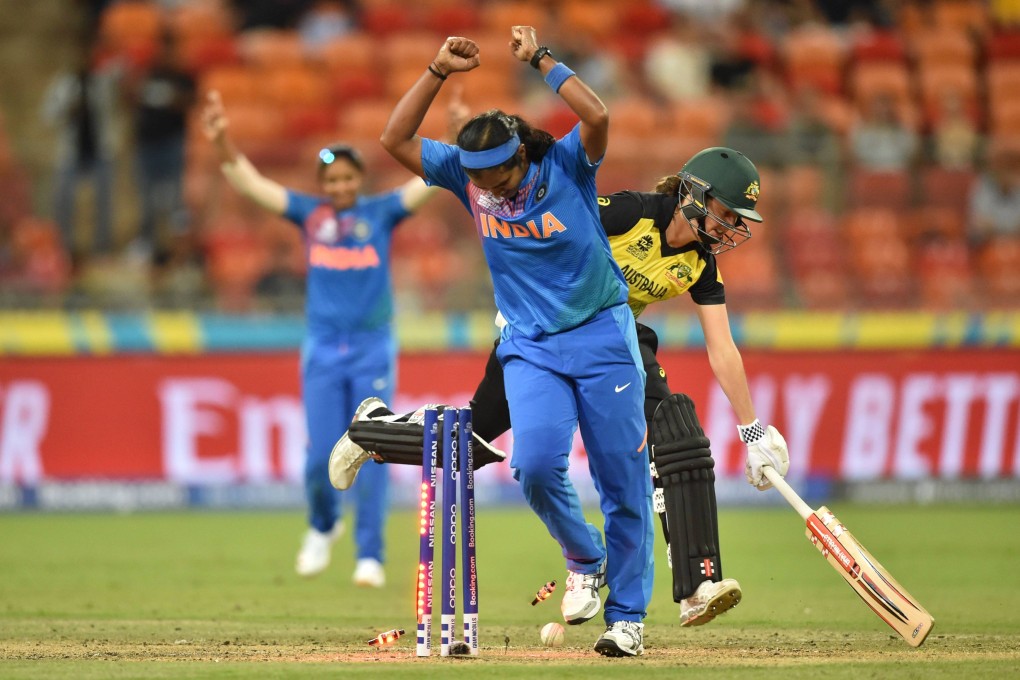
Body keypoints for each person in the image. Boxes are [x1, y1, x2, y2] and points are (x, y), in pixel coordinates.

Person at [331, 146, 791, 629]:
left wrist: (753, 430)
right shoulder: (633, 213)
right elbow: (547, 223)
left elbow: (723, 350)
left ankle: (697, 584)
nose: (730, 228)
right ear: (695, 194)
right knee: (471, 444)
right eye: (725, 213)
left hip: (617, 342)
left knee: (673, 429)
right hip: (544, 328)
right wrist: (520, 292)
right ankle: (374, 429)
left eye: (737, 220)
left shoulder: (701, 265)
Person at [378, 27, 653, 657]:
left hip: (602, 336)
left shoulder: (565, 162)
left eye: (497, 173)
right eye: (477, 177)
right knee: (531, 466)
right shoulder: (467, 174)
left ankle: (628, 617)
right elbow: (393, 140)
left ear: (519, 155)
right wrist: (436, 70)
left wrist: (541, 60)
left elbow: (598, 113)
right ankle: (586, 556)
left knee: (620, 477)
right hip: (529, 345)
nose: (488, 187)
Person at [200, 89, 440, 587]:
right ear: (323, 183)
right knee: (317, 454)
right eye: (331, 179)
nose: (340, 185)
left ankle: (369, 553)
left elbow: (428, 182)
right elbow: (250, 184)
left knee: (375, 449)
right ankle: (323, 525)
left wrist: (458, 140)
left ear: (360, 178)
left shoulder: (381, 213)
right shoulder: (309, 215)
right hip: (324, 350)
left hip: (373, 346)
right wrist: (222, 141)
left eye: (348, 177)